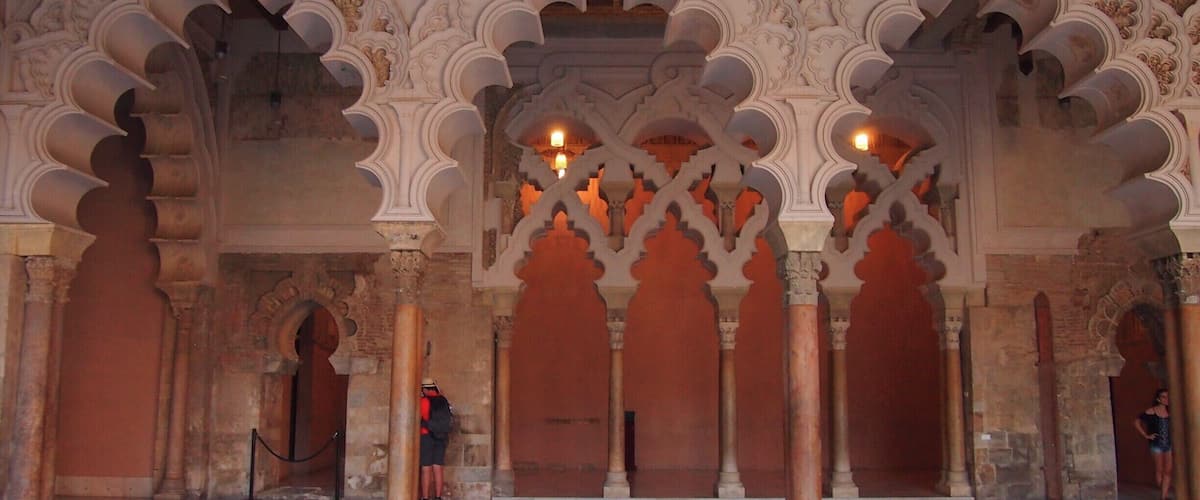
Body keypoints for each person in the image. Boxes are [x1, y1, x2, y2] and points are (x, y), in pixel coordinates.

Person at [1133, 388, 1172, 500]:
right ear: (1158, 399)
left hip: (1169, 444)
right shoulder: (1151, 411)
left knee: (1168, 471)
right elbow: (1136, 421)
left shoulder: (1171, 411)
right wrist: (1146, 435)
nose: (1166, 399)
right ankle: (1163, 494)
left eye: (1168, 396)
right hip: (1156, 444)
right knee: (1159, 469)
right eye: (1164, 397)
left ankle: (1163, 496)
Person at [420, 378, 451, 500]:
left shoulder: (424, 401)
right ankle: (438, 496)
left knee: (426, 468)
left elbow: (421, 417)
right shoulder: (443, 400)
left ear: (425, 389)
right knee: (438, 467)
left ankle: (425, 497)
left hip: (426, 436)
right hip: (441, 437)